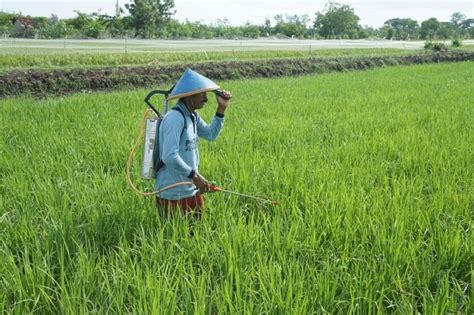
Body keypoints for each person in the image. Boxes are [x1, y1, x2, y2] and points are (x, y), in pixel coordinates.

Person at [155, 68, 232, 218]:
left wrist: (221, 108)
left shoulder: (192, 116)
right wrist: (195, 176)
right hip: (173, 193)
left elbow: (210, 134)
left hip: (190, 188)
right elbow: (169, 156)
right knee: (175, 236)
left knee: (196, 233)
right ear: (189, 96)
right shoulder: (174, 118)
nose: (206, 98)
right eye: (202, 94)